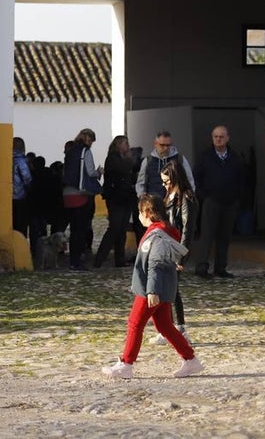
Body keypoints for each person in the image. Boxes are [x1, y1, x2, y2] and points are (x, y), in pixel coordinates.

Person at [101, 194, 204, 379]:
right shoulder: (164, 231)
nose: (138, 216)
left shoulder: (157, 236)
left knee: (135, 323)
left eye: (140, 212)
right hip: (161, 287)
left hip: (151, 289)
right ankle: (190, 359)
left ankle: (126, 364)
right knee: (165, 326)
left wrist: (152, 291)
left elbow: (155, 264)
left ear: (147, 213)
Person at [191, 125, 246, 279]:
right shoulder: (205, 157)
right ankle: (202, 267)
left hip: (230, 202)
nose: (218, 139)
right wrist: (204, 196)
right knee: (207, 235)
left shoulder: (235, 158)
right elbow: (196, 178)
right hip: (211, 201)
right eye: (215, 137)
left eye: (221, 137)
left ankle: (221, 267)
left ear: (227, 138)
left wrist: (238, 197)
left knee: (225, 236)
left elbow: (242, 179)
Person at [156, 159, 197, 343]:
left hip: (176, 249)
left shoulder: (186, 198)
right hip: (167, 247)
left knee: (171, 289)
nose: (164, 185)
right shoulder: (170, 197)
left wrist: (181, 257)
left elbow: (187, 229)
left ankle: (176, 328)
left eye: (166, 181)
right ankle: (171, 328)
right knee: (170, 289)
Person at [135, 131, 194, 239]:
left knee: (173, 235)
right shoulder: (148, 161)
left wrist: (187, 198)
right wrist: (143, 199)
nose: (166, 148)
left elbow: (189, 180)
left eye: (168, 145)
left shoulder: (179, 159)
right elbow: (141, 183)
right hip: (154, 206)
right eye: (162, 145)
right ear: (155, 144)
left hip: (174, 205)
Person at [95, 135, 137, 268]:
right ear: (118, 145)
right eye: (125, 143)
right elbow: (122, 169)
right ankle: (100, 258)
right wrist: (130, 160)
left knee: (122, 229)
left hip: (126, 197)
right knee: (114, 228)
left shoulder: (123, 159)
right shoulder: (112, 158)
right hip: (116, 198)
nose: (127, 146)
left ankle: (120, 259)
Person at [62, 129, 100, 270]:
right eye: (91, 141)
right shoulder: (86, 151)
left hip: (67, 193)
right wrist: (99, 172)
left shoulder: (71, 150)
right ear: (88, 139)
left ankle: (73, 260)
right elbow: (90, 171)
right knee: (81, 229)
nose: (91, 144)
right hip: (80, 193)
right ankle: (77, 260)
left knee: (74, 229)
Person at [11, 138, 37, 263]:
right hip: (20, 197)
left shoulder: (6, 158)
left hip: (7, 198)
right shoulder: (20, 160)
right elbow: (27, 179)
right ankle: (21, 252)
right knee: (21, 227)